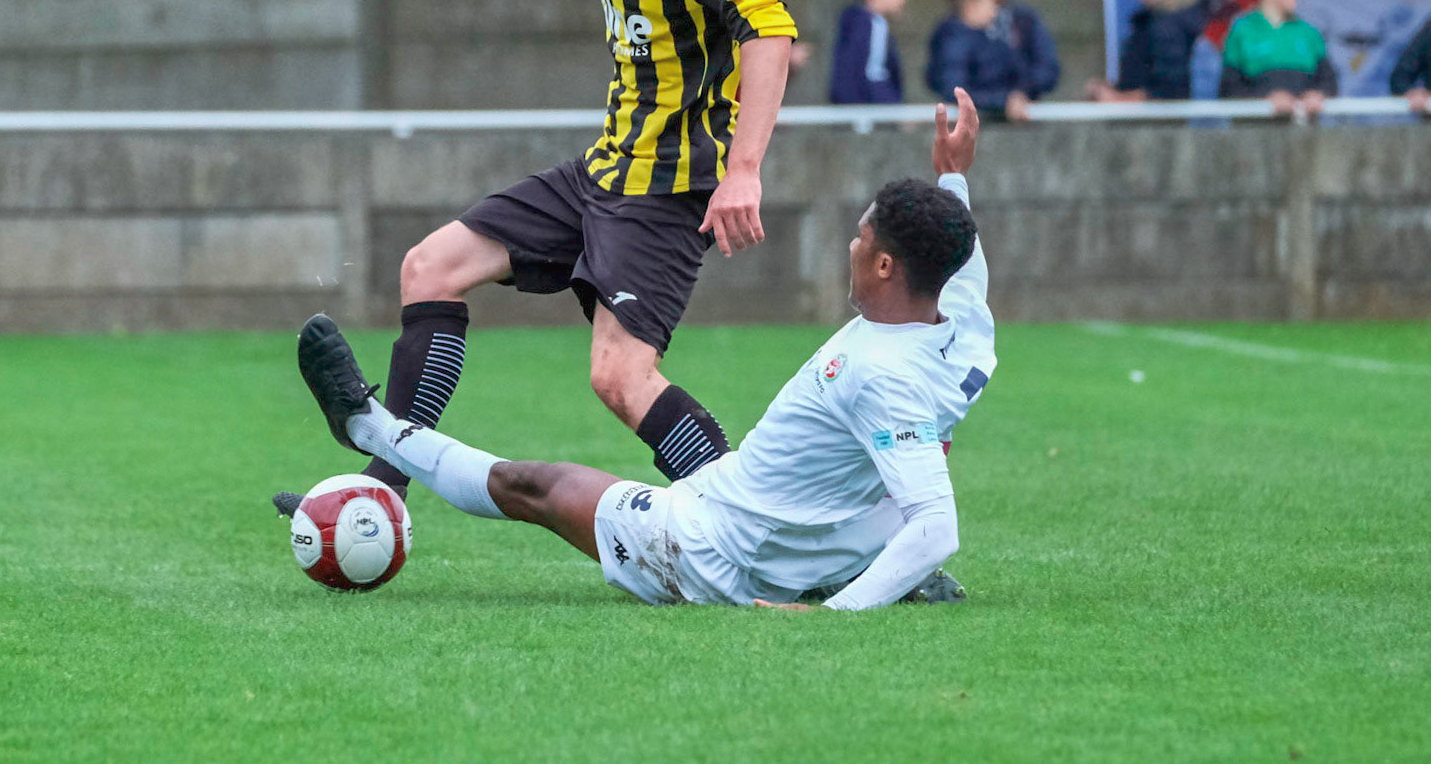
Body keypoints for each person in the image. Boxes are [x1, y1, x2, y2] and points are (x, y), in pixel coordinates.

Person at [273, 0, 798, 516]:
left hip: (664, 184)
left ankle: (765, 529)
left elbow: (769, 27)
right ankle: (379, 495)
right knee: (430, 268)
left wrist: (744, 168)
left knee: (620, 378)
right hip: (606, 168)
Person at [291, 89, 995, 609]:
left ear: (883, 268)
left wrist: (831, 617)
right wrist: (952, 176)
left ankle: (366, 425)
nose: (851, 242)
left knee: (535, 485)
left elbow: (935, 526)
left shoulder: (879, 372)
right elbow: (963, 262)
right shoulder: (962, 324)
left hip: (706, 550)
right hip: (780, 534)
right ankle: (851, 567)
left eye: (861, 237)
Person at [1087, 0, 1208, 103]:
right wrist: (1113, 89)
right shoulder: (1153, 19)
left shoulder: (1169, 26)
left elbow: (1172, 90)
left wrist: (1121, 100)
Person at [1218, 0, 1337, 116]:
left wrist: (1318, 94)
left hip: (1304, 133)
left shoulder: (1309, 32)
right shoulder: (1241, 31)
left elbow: (1329, 82)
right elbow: (1229, 90)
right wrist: (1263, 99)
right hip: (1258, 132)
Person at [926, 0, 1031, 121]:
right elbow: (955, 90)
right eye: (988, 3)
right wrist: (1003, 101)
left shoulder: (989, 38)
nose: (994, 12)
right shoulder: (953, 42)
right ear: (971, 4)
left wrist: (1018, 95)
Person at [828, 0, 907, 104]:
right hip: (867, 115)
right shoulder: (875, 24)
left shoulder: (853, 21)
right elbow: (874, 75)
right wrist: (895, 111)